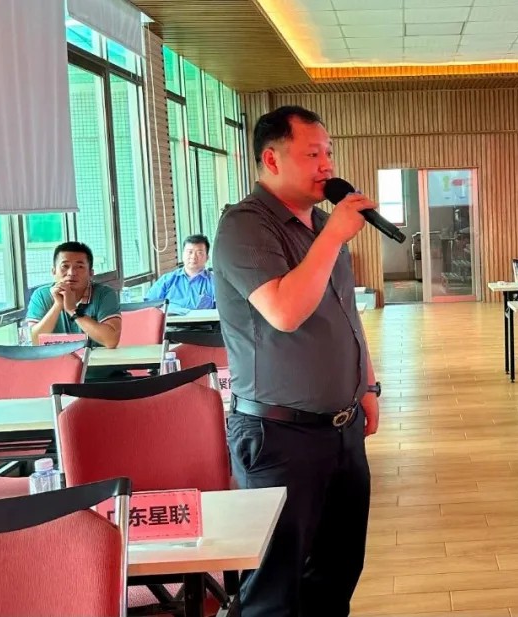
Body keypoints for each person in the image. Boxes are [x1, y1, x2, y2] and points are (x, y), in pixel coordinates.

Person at [213, 105, 378, 617]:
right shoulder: (244, 225)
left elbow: (346, 314)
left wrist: (368, 387)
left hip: (342, 428)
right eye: (312, 154)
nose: (327, 165)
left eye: (329, 153)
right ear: (271, 159)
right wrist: (332, 237)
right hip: (279, 435)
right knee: (275, 589)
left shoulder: (323, 227)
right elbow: (284, 311)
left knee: (336, 572)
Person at [26, 241, 121, 349]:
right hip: (54, 359)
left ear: (91, 273)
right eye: (65, 266)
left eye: (79, 267)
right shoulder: (41, 295)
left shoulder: (105, 294)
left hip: (95, 359)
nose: (71, 273)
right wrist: (57, 305)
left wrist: (72, 310)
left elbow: (111, 341)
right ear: (53, 271)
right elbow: (35, 341)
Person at [145, 234, 216, 311]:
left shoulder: (215, 282)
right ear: (183, 255)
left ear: (207, 257)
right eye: (190, 252)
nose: (193, 257)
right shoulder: (167, 280)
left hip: (203, 319)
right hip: (171, 319)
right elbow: (149, 306)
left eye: (199, 253)